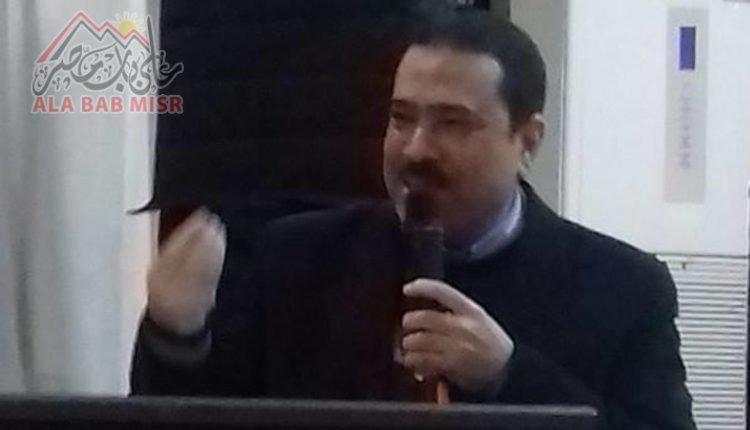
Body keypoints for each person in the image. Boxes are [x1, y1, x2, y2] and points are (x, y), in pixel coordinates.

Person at [131, 7, 696, 430]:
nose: (417, 148)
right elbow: (200, 414)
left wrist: (509, 375)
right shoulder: (296, 259)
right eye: (402, 118)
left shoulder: (623, 287)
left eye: (452, 123)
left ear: (527, 139)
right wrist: (176, 334)